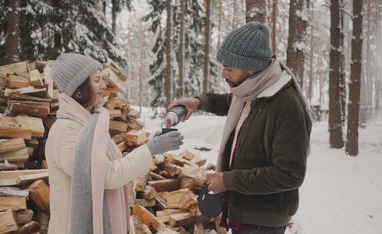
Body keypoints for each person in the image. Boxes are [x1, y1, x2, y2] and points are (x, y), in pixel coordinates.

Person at [169, 21, 312, 234]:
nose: (224, 74)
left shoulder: (286, 105)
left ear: (251, 66)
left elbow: (289, 174)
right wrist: (199, 102)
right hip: (245, 212)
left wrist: (228, 181)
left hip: (263, 221)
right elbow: (231, 102)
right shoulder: (253, 91)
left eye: (229, 68)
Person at [45, 53, 183, 234]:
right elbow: (107, 175)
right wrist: (152, 149)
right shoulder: (68, 130)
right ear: (78, 89)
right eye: (96, 81)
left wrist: (152, 145)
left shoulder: (88, 123)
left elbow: (110, 164)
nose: (103, 86)